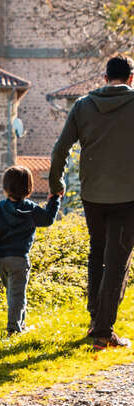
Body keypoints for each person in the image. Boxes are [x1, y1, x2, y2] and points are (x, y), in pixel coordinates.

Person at [49, 53, 134, 350]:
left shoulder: (83, 105)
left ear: (105, 78)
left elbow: (60, 149)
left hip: (92, 195)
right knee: (117, 261)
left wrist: (56, 184)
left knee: (97, 253)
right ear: (131, 78)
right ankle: (103, 332)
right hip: (128, 196)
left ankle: (95, 319)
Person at [0, 165, 60, 334]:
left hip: (0, 259)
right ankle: (14, 329)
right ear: (29, 187)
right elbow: (48, 219)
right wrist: (54, 200)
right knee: (17, 295)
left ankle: (21, 324)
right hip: (18, 259)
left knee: (13, 294)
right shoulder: (30, 208)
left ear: (5, 187)